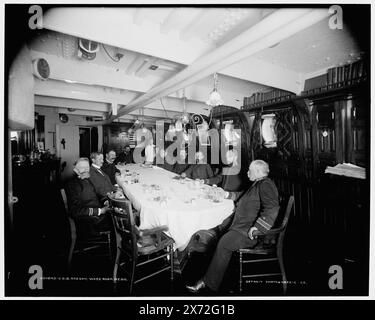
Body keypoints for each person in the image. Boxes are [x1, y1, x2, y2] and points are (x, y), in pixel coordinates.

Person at [186, 159, 280, 293]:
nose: (247, 173)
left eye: (250, 171)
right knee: (220, 227)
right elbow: (243, 195)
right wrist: (225, 194)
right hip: (242, 225)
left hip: (250, 233)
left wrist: (259, 227)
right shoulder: (258, 183)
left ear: (258, 172)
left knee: (224, 243)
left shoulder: (266, 184)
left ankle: (208, 283)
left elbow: (272, 207)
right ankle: (218, 268)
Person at [64, 157, 113, 235]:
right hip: (90, 221)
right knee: (120, 222)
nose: (86, 170)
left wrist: (105, 201)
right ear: (76, 169)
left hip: (99, 214)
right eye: (82, 168)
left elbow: (97, 195)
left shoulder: (87, 179)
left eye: (87, 167)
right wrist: (100, 211)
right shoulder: (71, 185)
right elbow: (75, 211)